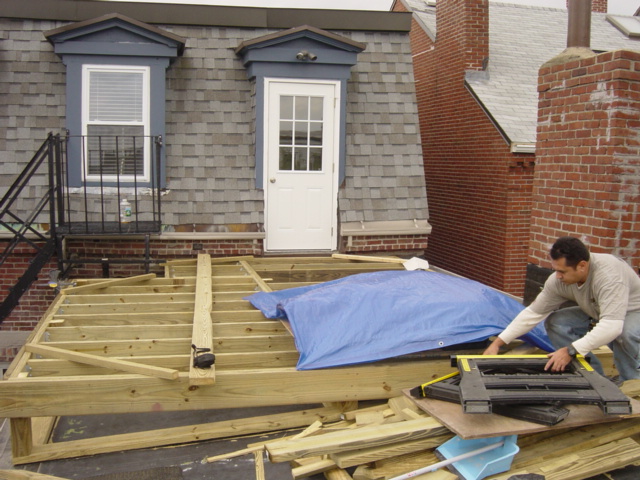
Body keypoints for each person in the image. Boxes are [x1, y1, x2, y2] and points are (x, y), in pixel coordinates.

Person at [483, 236, 640, 381]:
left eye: (562, 271)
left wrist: (570, 350)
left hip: (633, 311)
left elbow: (612, 326)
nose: (557, 276)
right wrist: (497, 343)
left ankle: (633, 383)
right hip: (598, 311)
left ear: (582, 266)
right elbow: (533, 313)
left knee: (625, 333)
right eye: (555, 270)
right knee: (557, 322)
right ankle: (594, 377)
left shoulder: (609, 277)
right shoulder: (558, 281)